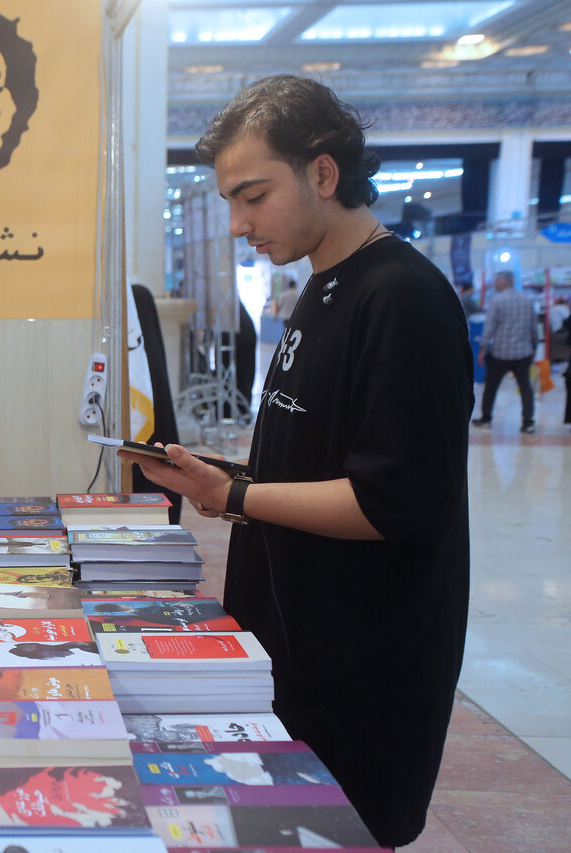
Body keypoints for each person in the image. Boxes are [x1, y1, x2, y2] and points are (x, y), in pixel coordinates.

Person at [119, 75, 472, 848]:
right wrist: (218, 480)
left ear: (322, 172)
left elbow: (396, 502)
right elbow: (314, 457)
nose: (240, 223)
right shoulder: (320, 289)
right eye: (230, 203)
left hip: (365, 668)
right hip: (298, 650)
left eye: (254, 196)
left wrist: (237, 492)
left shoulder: (402, 298)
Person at [473, 270, 538, 433]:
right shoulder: (526, 300)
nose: (495, 283)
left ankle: (486, 418)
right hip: (523, 353)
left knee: (491, 387)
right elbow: (533, 327)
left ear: (505, 281)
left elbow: (489, 329)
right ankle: (528, 422)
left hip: (500, 353)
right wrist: (534, 348)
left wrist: (482, 349)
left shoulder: (497, 301)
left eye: (497, 280)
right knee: (525, 388)